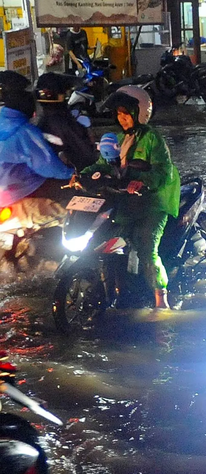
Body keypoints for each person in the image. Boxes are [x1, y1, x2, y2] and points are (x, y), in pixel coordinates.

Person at [81, 90, 180, 310]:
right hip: (125, 199)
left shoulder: (153, 139)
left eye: (126, 114)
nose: (121, 118)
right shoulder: (116, 139)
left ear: (140, 113)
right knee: (104, 238)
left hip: (153, 201)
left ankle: (161, 297)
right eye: (119, 114)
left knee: (146, 247)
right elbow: (102, 164)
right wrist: (83, 175)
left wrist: (143, 181)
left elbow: (163, 171)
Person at [0, 89, 73, 231]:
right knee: (68, 205)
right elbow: (47, 165)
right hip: (17, 192)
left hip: (5, 192)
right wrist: (72, 175)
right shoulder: (25, 131)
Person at [35, 72, 96, 172]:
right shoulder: (64, 123)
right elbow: (86, 154)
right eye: (65, 92)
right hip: (68, 177)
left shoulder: (41, 121)